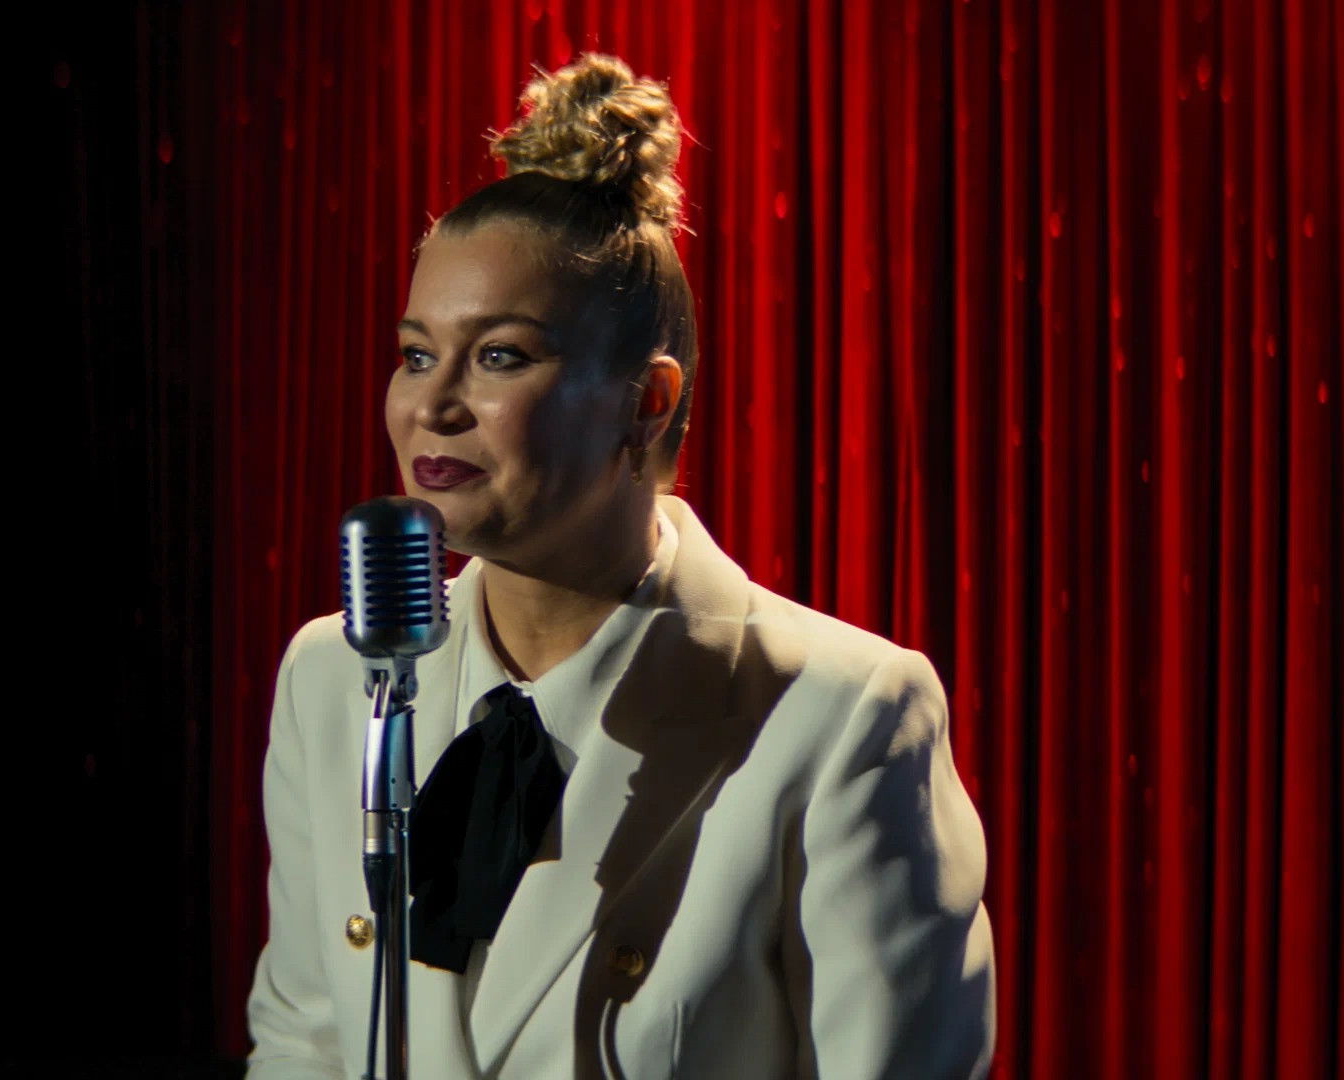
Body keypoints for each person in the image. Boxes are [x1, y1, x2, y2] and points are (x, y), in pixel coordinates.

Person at [245, 53, 994, 1080]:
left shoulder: (838, 714)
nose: (433, 405)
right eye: (416, 354)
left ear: (646, 402)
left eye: (500, 356)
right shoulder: (335, 679)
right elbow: (302, 1047)